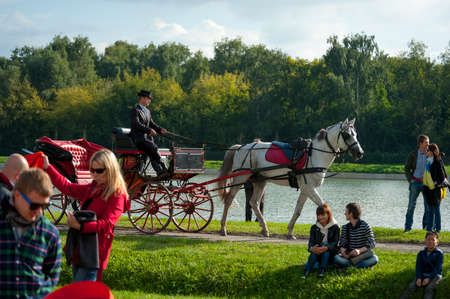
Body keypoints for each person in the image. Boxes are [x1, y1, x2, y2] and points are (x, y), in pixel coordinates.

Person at [43, 149, 129, 282]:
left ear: (111, 169)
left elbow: (107, 224)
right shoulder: (93, 187)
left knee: (83, 292)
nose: (94, 174)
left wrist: (80, 226)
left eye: (99, 171)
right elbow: (68, 187)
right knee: (80, 291)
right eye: (92, 170)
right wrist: (48, 168)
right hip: (81, 248)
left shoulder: (117, 194)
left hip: (94, 253)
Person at [0, 168, 62, 298]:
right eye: (34, 205)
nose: (39, 211)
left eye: (44, 206)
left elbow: (52, 277)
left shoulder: (50, 234)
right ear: (17, 195)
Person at [130, 89, 168, 176]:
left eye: (150, 99)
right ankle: (162, 167)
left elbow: (151, 124)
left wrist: (160, 129)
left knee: (151, 151)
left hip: (146, 139)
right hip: (138, 138)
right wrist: (149, 130)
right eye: (148, 98)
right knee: (153, 147)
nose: (149, 101)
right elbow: (136, 124)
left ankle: (159, 171)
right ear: (142, 98)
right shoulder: (135, 110)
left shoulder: (147, 111)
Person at [400, 231, 443, 299]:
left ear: (437, 242)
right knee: (411, 286)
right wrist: (419, 278)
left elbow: (437, 268)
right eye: (428, 239)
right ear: (425, 242)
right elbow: (418, 267)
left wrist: (429, 278)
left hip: (435, 275)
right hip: (423, 274)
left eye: (433, 240)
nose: (430, 241)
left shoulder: (439, 254)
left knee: (429, 288)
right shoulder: (421, 253)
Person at [334, 202, 378, 269]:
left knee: (375, 258)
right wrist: (344, 254)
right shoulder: (345, 227)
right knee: (336, 257)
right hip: (348, 256)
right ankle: (357, 266)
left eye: (346, 212)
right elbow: (342, 244)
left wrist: (359, 251)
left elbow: (372, 242)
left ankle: (349, 266)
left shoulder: (365, 226)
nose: (344, 214)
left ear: (351, 214)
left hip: (361, 255)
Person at [302, 204, 340, 278]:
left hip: (330, 254)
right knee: (315, 249)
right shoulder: (314, 227)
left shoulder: (335, 227)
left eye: (322, 214)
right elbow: (311, 242)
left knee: (325, 245)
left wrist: (326, 247)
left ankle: (322, 269)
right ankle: (307, 270)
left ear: (328, 215)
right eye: (318, 215)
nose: (320, 217)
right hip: (318, 253)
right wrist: (311, 248)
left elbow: (335, 243)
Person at [404, 134, 430, 232]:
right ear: (420, 143)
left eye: (428, 143)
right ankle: (407, 228)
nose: (428, 145)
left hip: (427, 184)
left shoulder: (430, 154)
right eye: (426, 143)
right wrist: (411, 179)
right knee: (411, 206)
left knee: (427, 207)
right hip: (415, 183)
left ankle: (425, 228)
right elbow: (407, 168)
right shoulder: (413, 154)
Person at [422, 144, 448, 233]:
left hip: (436, 190)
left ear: (432, 152)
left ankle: (438, 229)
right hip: (428, 189)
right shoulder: (428, 161)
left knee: (436, 210)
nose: (426, 152)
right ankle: (429, 229)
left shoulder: (438, 161)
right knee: (430, 210)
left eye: (428, 150)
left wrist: (436, 182)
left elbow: (443, 175)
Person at [244, 138, 264, 221]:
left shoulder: (261, 157)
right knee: (249, 201)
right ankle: (249, 219)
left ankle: (258, 219)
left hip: (258, 182)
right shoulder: (248, 156)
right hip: (249, 182)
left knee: (260, 202)